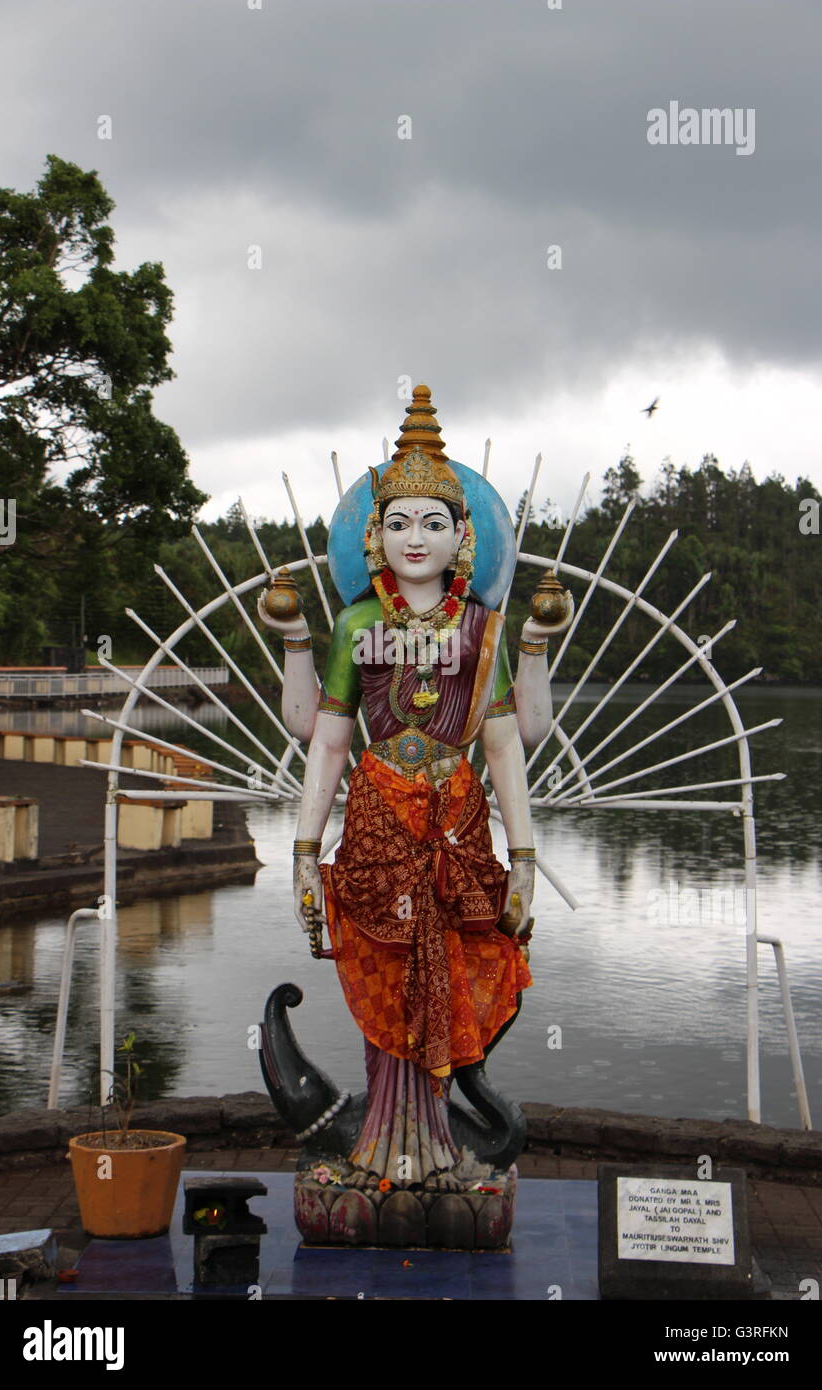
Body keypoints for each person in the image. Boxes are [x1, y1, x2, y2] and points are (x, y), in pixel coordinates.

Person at [257, 386, 557, 1190]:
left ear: (464, 537)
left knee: (457, 964)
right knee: (389, 968)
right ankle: (385, 1143)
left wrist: (523, 854)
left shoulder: (481, 630)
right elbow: (328, 740)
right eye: (397, 522)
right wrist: (303, 849)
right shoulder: (360, 627)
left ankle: (442, 1142)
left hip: (456, 823)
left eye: (432, 522)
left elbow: (501, 742)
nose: (413, 538)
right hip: (382, 816)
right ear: (372, 536)